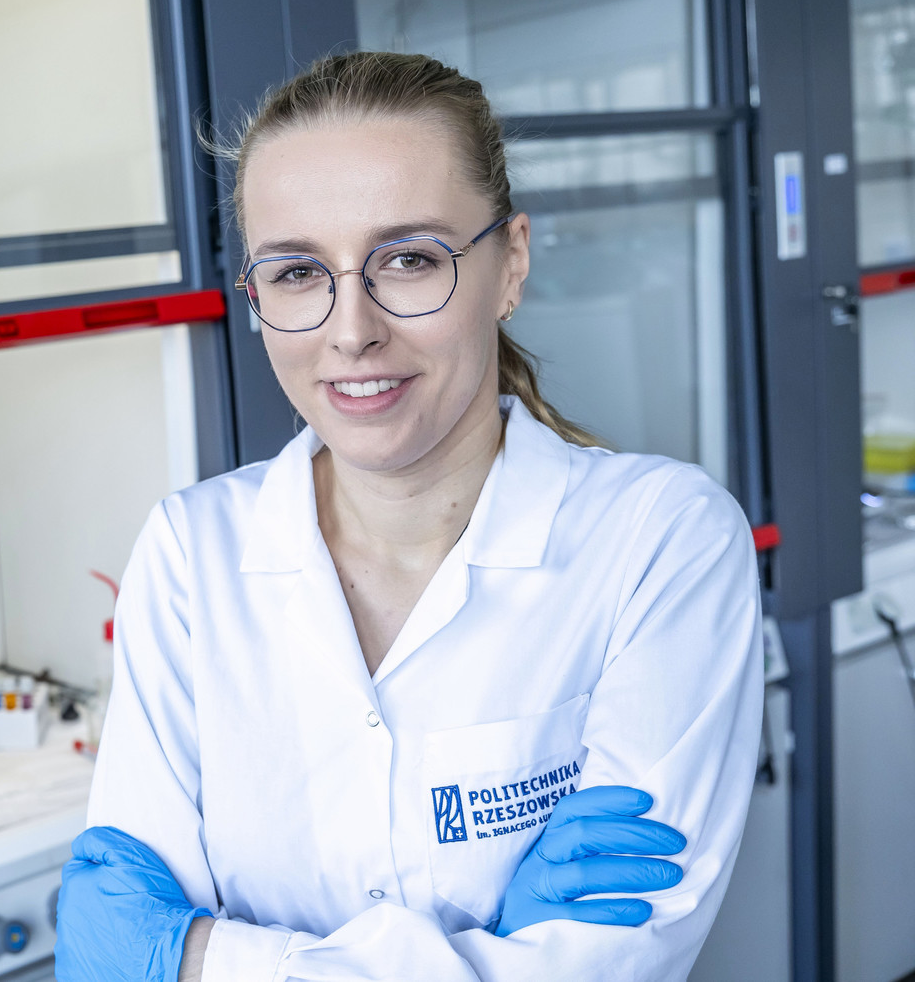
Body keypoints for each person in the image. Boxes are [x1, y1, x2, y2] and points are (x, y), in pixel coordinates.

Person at [53, 52, 763, 982]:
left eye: (409, 260)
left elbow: (609, 963)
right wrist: (491, 955)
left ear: (510, 264)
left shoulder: (660, 542)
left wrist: (197, 956)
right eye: (297, 272)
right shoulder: (193, 556)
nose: (352, 331)